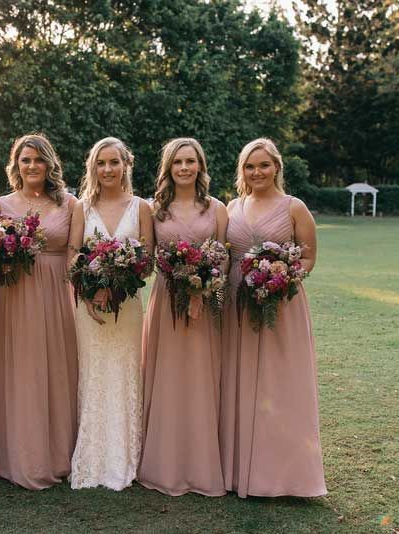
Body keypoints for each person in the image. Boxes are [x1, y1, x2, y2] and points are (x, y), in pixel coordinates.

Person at [220, 138, 326, 498]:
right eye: (250, 166)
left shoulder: (294, 208)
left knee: (280, 384)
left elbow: (309, 257)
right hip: (237, 303)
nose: (257, 172)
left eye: (263, 165)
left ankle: (286, 477)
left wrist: (284, 277)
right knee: (241, 381)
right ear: (242, 171)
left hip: (281, 306)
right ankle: (239, 472)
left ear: (277, 167)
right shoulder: (232, 206)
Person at [0, 133, 79, 490]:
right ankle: (18, 455)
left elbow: (73, 255)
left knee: (56, 370)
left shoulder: (70, 204)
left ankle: (57, 455)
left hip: (56, 294)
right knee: (19, 371)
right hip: (13, 297)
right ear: (16, 165)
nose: (32, 166)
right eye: (25, 160)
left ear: (49, 164)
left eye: (38, 159)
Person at [138, 138, 228, 496]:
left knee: (202, 376)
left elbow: (222, 256)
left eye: (191, 161)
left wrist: (201, 287)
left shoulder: (218, 208)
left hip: (205, 304)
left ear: (201, 167)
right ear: (169, 168)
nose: (185, 168)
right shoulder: (155, 209)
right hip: (166, 301)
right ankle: (165, 462)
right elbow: (147, 258)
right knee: (168, 376)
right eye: (178, 162)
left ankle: (202, 463)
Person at [68, 137, 154, 490]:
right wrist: (90, 286)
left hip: (128, 307)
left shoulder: (141, 208)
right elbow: (72, 253)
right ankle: (92, 457)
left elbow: (147, 261)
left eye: (114, 162)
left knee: (126, 372)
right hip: (89, 308)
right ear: (93, 167)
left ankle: (128, 457)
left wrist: (120, 280)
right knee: (93, 374)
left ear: (125, 165)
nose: (107, 169)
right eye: (101, 163)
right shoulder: (82, 208)